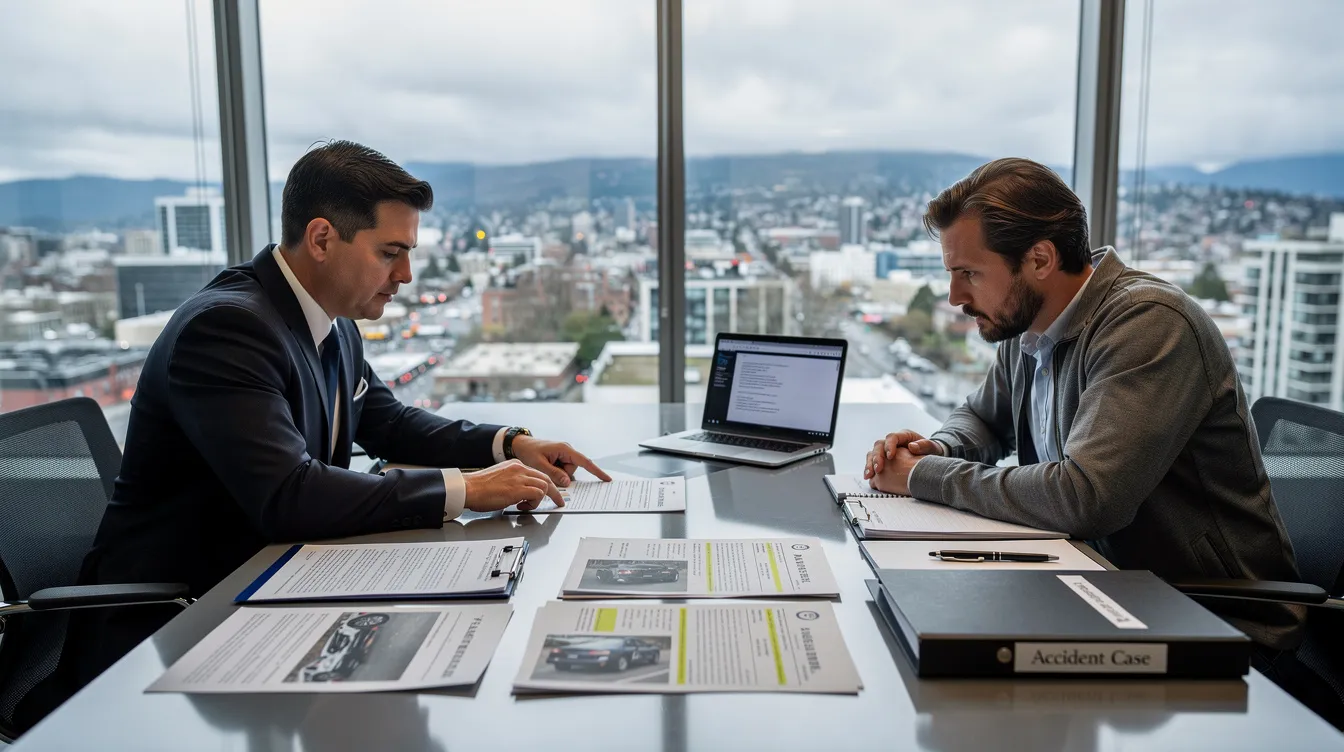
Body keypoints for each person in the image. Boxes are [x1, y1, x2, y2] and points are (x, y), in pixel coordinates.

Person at [69, 140, 611, 683]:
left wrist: (509, 443)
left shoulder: (331, 319)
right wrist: (468, 490)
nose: (406, 276)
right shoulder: (226, 330)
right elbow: (289, 494)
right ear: (323, 238)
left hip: (271, 588)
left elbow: (389, 423)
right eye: (389, 253)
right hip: (171, 628)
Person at [864, 157, 1304, 652]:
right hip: (1098, 585)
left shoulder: (1148, 324)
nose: (953, 296)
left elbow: (1085, 497)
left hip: (1211, 614)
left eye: (969, 272)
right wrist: (936, 449)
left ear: (1039, 260)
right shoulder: (1024, 321)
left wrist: (920, 476)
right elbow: (984, 419)